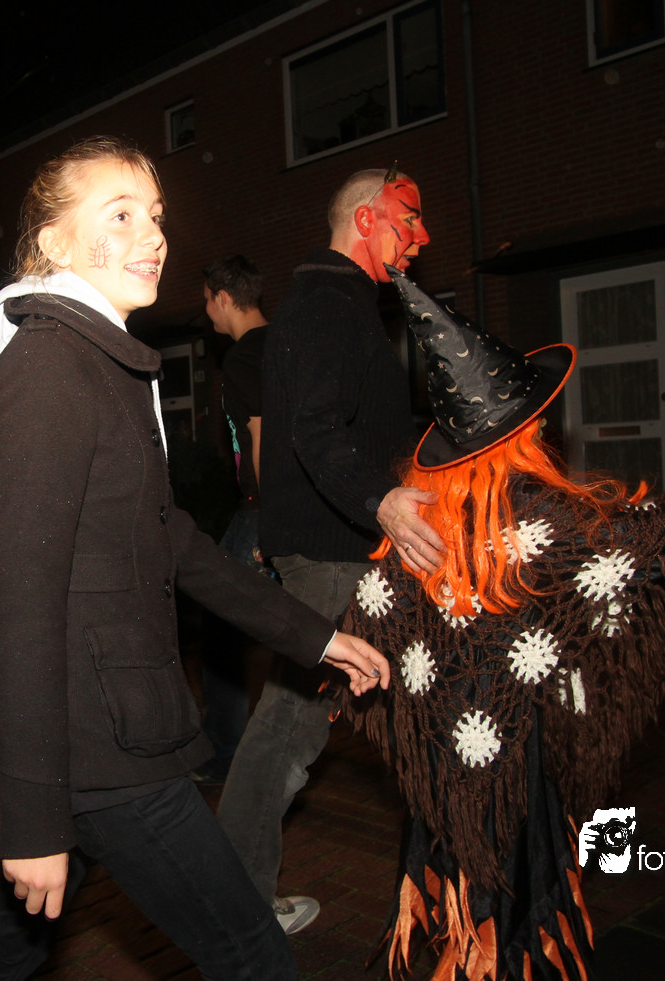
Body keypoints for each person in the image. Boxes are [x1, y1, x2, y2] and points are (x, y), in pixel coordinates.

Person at [0, 137, 391, 981]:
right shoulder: (47, 369)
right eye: (119, 215)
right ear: (54, 242)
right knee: (252, 952)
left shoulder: (98, 359)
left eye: (154, 215)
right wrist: (31, 817)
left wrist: (314, 637)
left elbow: (170, 537)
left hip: (105, 727)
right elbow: (18, 601)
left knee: (5, 949)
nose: (151, 235)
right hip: (102, 745)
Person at [341, 266, 665, 979]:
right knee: (515, 889)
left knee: (468, 879)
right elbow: (639, 547)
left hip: (445, 752)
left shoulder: (421, 515)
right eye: (534, 417)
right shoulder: (534, 511)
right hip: (508, 750)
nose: (544, 423)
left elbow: (367, 616)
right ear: (514, 436)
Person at [217, 166, 443, 932]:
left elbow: (360, 429)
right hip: (329, 552)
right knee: (287, 725)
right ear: (366, 218)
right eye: (408, 219)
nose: (421, 237)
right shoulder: (322, 302)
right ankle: (235, 909)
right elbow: (312, 430)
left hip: (345, 548)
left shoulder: (343, 301)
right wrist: (379, 499)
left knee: (394, 703)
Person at [193, 254, 271, 785]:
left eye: (207, 300)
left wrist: (268, 516)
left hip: (262, 511)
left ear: (223, 297)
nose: (207, 312)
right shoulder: (284, 344)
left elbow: (262, 435)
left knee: (219, 620)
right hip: (279, 508)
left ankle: (224, 753)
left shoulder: (244, 357)